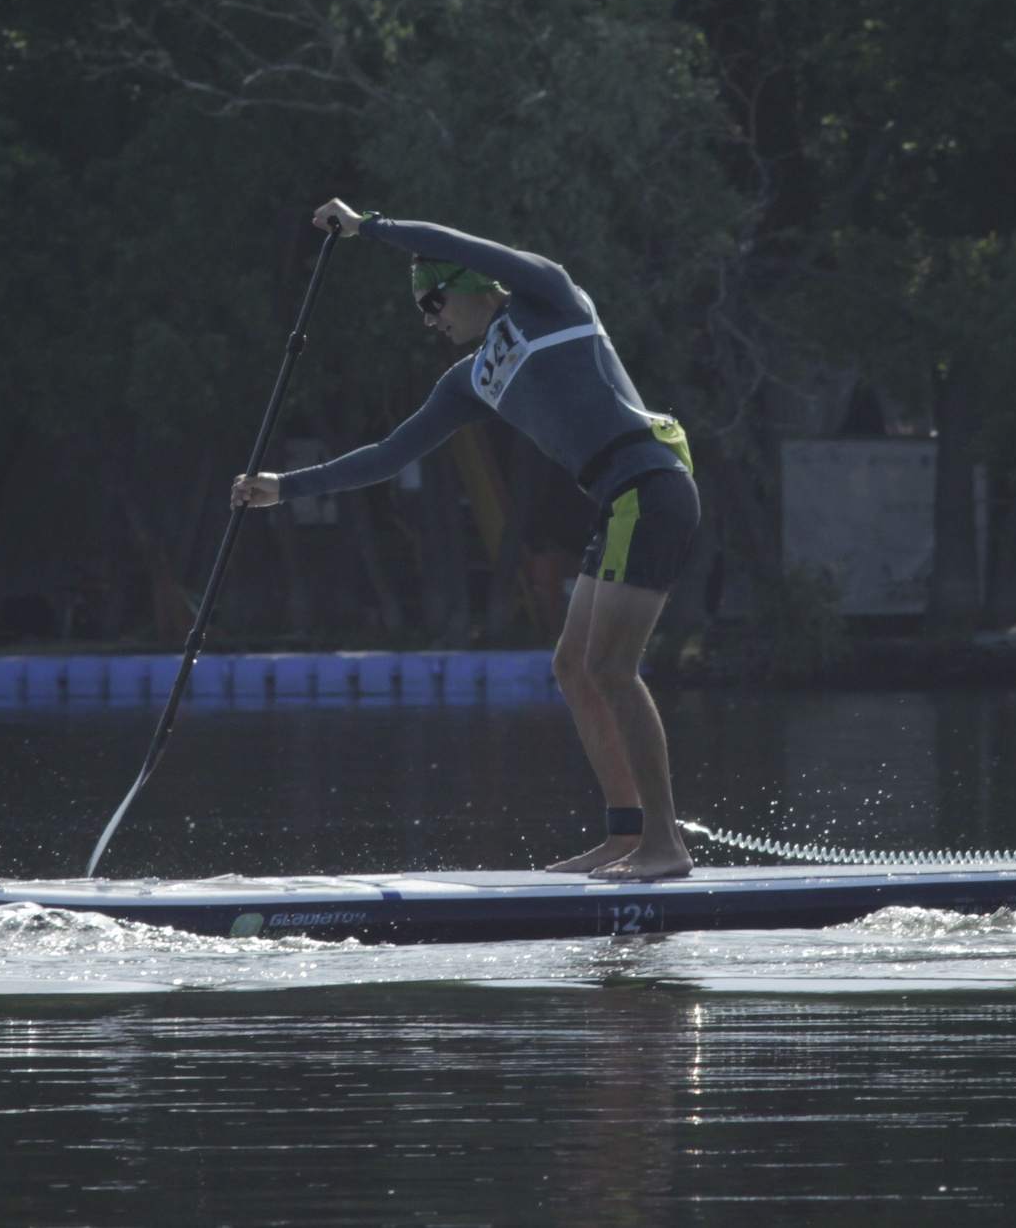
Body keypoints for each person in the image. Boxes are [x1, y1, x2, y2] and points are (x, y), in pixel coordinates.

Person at [231, 200, 700, 881]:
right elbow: (391, 453)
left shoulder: (551, 297)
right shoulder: (473, 378)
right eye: (422, 309)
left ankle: (666, 844)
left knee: (610, 668)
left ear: (476, 285)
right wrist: (285, 486)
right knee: (573, 666)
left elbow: (460, 240)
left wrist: (368, 227)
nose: (430, 318)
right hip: (616, 502)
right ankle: (627, 834)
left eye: (435, 300)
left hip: (651, 484)